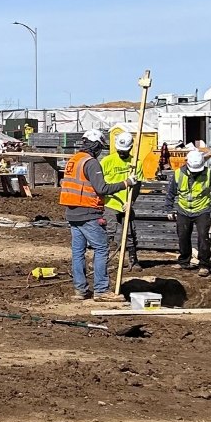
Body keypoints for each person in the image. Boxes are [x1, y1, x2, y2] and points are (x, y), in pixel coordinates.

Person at [60, 129, 133, 301]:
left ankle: (80, 290)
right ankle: (101, 290)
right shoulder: (91, 163)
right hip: (88, 212)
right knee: (101, 248)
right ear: (96, 146)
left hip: (72, 212)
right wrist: (126, 183)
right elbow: (102, 189)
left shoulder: (74, 160)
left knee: (78, 252)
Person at [169, 149, 211, 276]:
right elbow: (171, 192)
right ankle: (184, 261)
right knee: (183, 236)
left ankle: (204, 264)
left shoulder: (210, 173)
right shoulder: (178, 174)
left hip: (202, 210)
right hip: (183, 210)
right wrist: (168, 208)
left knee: (203, 238)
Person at [101, 132, 144, 270]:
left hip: (126, 203)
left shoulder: (136, 163)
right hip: (110, 203)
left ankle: (133, 259)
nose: (122, 153)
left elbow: (137, 186)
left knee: (130, 231)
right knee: (108, 232)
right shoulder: (107, 161)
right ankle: (102, 261)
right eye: (120, 150)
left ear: (131, 148)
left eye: (125, 151)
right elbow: (100, 184)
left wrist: (130, 202)